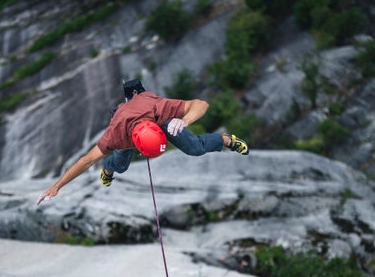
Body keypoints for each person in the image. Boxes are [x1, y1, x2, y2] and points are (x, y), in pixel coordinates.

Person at [36, 79, 249, 205]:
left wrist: (184, 121)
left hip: (156, 119)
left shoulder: (158, 108)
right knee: (120, 165)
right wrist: (56, 187)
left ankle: (226, 141)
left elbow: (200, 104)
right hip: (127, 129)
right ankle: (108, 172)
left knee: (195, 148)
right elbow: (86, 161)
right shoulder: (116, 135)